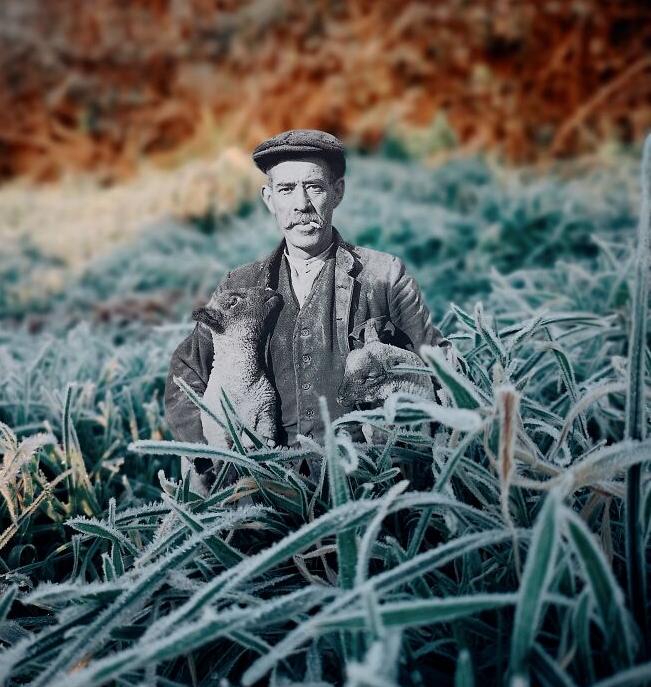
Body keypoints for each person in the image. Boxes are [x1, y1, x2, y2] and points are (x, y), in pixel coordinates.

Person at [164, 129, 458, 486]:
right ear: (269, 199)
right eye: (286, 190)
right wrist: (212, 459)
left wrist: (419, 458)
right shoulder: (240, 287)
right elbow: (185, 371)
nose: (301, 204)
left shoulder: (384, 275)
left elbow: (439, 370)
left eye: (314, 187)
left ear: (338, 192)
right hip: (266, 488)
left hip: (364, 483)